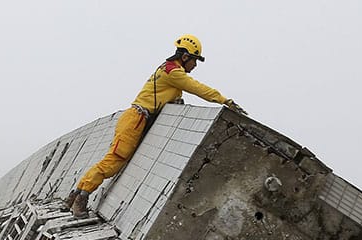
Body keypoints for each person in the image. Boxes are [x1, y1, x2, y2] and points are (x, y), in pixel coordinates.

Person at [64, 34, 246, 218]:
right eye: (195, 60)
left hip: (133, 119)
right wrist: (224, 100)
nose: (195, 65)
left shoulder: (167, 68)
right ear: (185, 57)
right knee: (112, 163)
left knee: (109, 160)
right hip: (135, 121)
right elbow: (198, 88)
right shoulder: (174, 73)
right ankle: (81, 199)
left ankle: (73, 196)